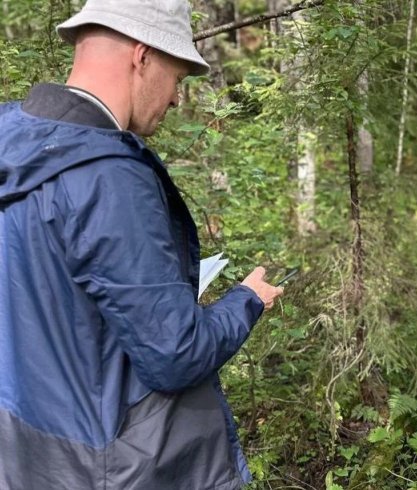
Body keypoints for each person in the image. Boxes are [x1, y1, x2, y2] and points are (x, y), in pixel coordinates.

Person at [0, 1, 282, 488]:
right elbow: (175, 354)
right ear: (142, 55)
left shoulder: (12, 139)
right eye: (177, 76)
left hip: (25, 451)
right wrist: (246, 301)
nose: (175, 99)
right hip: (110, 464)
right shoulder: (108, 176)